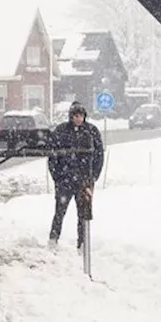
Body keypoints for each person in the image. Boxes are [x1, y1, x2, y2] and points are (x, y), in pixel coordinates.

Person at [47, 101, 104, 250]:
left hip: (84, 181)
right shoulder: (61, 131)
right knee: (59, 211)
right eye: (76, 116)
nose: (78, 119)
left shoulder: (91, 131)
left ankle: (83, 243)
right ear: (71, 116)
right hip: (64, 180)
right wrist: (57, 176)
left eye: (81, 116)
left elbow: (99, 155)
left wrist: (93, 176)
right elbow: (52, 156)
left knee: (83, 214)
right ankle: (53, 240)